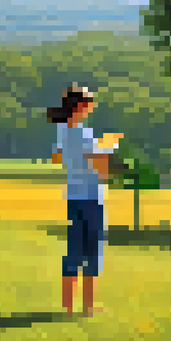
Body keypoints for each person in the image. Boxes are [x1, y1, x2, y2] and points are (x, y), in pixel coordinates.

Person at [49, 84, 121, 317]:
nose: (91, 109)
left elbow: (56, 157)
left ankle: (68, 307)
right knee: (92, 253)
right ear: (80, 106)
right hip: (91, 198)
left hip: (73, 197)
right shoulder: (84, 134)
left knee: (73, 251)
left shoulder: (63, 130)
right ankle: (89, 308)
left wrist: (91, 152)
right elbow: (103, 172)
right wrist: (111, 149)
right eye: (89, 105)